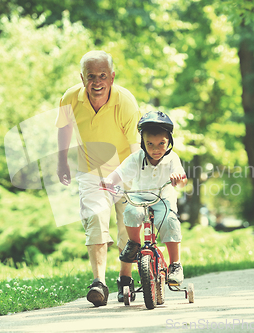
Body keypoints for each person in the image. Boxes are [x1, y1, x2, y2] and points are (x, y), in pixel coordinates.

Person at [56, 50, 142, 306]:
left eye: (102, 75)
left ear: (112, 77)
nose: (97, 82)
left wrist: (135, 179)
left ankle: (125, 279)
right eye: (91, 76)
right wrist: (62, 161)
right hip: (92, 171)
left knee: (129, 228)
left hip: (125, 170)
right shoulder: (70, 98)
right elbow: (64, 128)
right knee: (95, 221)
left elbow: (136, 147)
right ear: (82, 78)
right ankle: (99, 283)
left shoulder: (125, 101)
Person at [101, 111, 187, 285]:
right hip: (139, 197)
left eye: (161, 143)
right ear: (143, 143)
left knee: (170, 221)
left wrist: (179, 178)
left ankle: (175, 264)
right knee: (132, 212)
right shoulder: (136, 158)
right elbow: (118, 174)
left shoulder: (172, 158)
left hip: (163, 198)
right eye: (150, 144)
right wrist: (108, 181)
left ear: (169, 141)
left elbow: (183, 180)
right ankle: (134, 243)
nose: (156, 149)